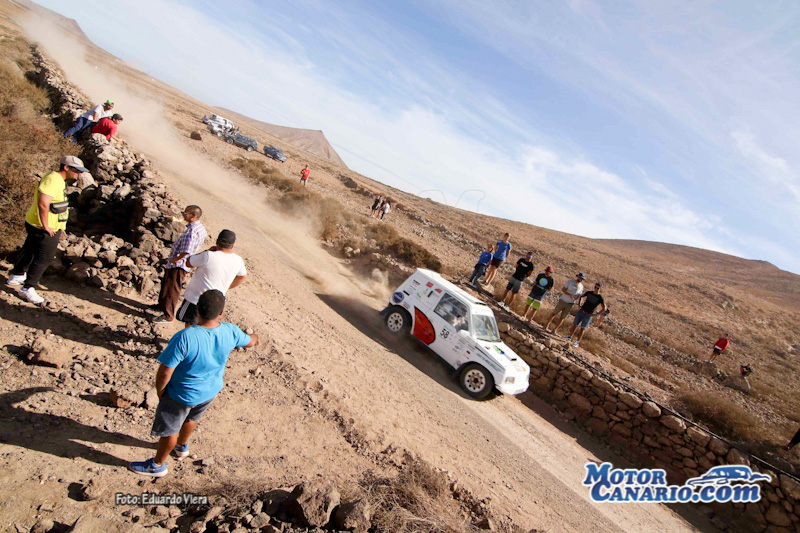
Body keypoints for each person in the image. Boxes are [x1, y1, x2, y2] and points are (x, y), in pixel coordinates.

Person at [130, 289, 259, 477]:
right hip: (209, 391)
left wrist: (160, 390)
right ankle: (182, 447)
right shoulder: (230, 331)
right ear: (221, 312)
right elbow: (250, 342)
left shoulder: (185, 337)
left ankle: (157, 465)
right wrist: (256, 338)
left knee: (170, 430)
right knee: (192, 419)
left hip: (181, 394)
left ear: (197, 309)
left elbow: (166, 370)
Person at [8, 156, 89, 304]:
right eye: (76, 170)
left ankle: (17, 275)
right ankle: (28, 288)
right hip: (45, 227)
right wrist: (46, 225)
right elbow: (43, 203)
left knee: (29, 249)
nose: (79, 173)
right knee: (44, 257)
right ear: (66, 167)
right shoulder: (53, 180)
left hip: (38, 223)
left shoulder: (57, 179)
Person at [175, 230, 247, 327]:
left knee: (190, 327)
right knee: (207, 326)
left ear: (217, 242)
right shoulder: (238, 260)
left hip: (196, 299)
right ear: (232, 246)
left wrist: (208, 250)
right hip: (216, 302)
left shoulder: (208, 255)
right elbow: (242, 277)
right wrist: (226, 287)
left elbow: (188, 262)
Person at [151, 206, 208, 324]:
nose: (183, 214)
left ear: (193, 215)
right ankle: (161, 306)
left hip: (179, 264)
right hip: (178, 263)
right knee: (167, 285)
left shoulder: (192, 231)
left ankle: (168, 315)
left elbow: (187, 251)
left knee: (172, 290)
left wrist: (174, 260)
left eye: (185, 213)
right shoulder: (199, 228)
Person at [566, 282, 606, 347]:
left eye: (597, 288)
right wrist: (579, 305)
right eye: (595, 287)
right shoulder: (589, 293)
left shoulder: (600, 297)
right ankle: (569, 336)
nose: (596, 289)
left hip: (589, 314)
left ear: (600, 289)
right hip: (582, 310)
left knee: (583, 328)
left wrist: (597, 314)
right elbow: (581, 297)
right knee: (575, 324)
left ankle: (577, 342)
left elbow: (604, 308)